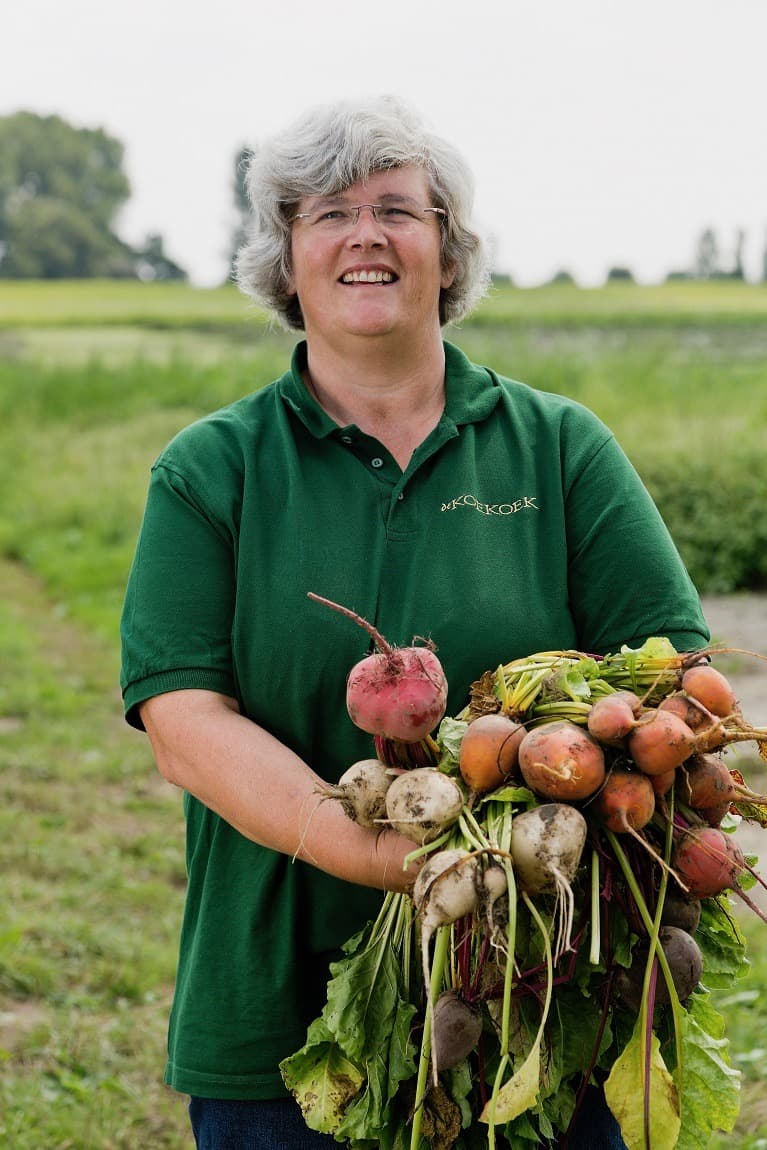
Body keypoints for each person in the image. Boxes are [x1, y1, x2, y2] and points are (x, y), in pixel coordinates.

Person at [120, 95, 709, 1150]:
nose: (365, 234)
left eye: (398, 208)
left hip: (545, 995)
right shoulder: (213, 469)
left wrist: (561, 780)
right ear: (285, 257)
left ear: (447, 248)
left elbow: (670, 677)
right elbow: (184, 726)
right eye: (327, 212)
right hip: (281, 1014)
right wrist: (397, 863)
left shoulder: (557, 449)